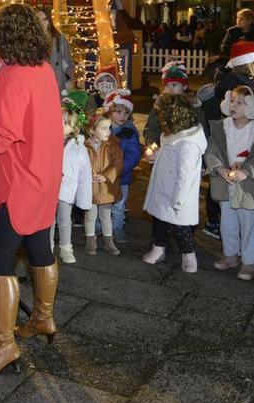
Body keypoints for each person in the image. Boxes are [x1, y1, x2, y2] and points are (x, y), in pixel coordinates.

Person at [0, 4, 63, 379]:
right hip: (43, 173)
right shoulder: (42, 68)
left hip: (15, 179)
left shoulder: (15, 75)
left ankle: (3, 347)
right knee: (39, 248)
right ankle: (44, 319)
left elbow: (0, 136)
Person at [206, 86, 254, 281]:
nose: (234, 106)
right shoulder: (222, 127)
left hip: (248, 186)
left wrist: (248, 171)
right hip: (226, 182)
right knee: (227, 221)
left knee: (248, 223)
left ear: (250, 106)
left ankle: (249, 260)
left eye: (240, 103)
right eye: (232, 101)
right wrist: (218, 168)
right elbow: (212, 150)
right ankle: (230, 254)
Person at [141, 93, 208, 273]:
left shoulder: (188, 144)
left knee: (181, 226)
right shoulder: (173, 135)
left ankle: (189, 254)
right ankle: (158, 248)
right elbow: (168, 155)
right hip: (164, 187)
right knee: (160, 220)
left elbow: (185, 175)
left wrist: (179, 199)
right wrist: (157, 156)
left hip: (177, 192)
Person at [55, 93, 93, 265]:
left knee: (64, 220)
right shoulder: (48, 141)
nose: (62, 126)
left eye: (67, 123)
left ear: (75, 127)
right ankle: (46, 247)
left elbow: (85, 174)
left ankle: (66, 247)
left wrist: (84, 199)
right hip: (48, 188)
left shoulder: (79, 147)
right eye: (60, 121)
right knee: (47, 221)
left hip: (66, 190)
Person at [84, 109, 124, 256]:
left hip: (107, 188)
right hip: (90, 187)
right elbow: (79, 165)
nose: (108, 131)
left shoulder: (113, 145)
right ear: (92, 130)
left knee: (106, 215)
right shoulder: (84, 146)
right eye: (104, 128)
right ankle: (90, 241)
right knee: (90, 215)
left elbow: (118, 164)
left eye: (109, 128)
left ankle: (109, 241)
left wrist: (106, 176)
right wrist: (87, 176)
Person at [104, 88, 142, 242]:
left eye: (126, 113)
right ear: (110, 112)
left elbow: (134, 154)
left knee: (119, 204)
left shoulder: (129, 132)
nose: (122, 116)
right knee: (103, 201)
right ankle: (101, 225)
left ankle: (117, 228)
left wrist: (121, 169)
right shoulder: (102, 129)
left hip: (122, 177)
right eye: (118, 112)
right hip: (103, 175)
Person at [37, 8, 74, 94]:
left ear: (49, 20)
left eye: (45, 19)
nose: (42, 23)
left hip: (58, 82)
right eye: (38, 19)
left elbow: (68, 63)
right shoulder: (32, 41)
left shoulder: (59, 39)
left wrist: (69, 82)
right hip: (38, 83)